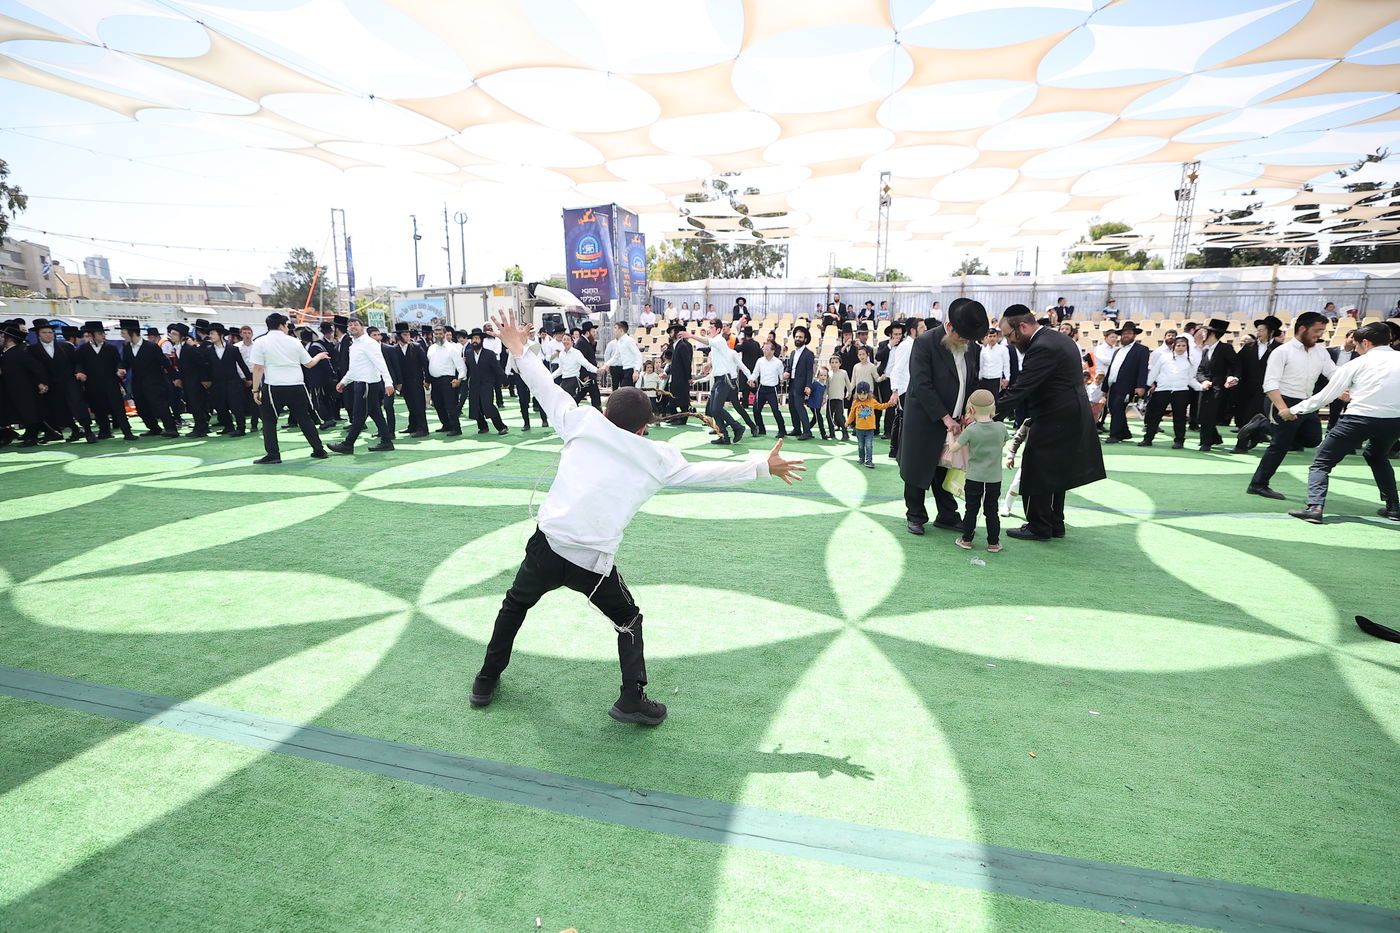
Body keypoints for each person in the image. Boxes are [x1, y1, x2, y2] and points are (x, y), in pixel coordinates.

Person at [468, 309, 806, 725]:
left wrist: (517, 346)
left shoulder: (581, 421)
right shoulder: (656, 459)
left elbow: (542, 385)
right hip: (591, 561)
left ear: (607, 412)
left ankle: (485, 680)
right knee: (628, 620)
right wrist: (761, 466)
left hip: (547, 544)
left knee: (514, 605)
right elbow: (706, 473)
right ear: (645, 429)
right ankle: (632, 699)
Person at [995, 305, 1106, 541]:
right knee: (1056, 471)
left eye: (1009, 335)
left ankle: (1039, 526)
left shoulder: (1042, 347)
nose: (1009, 341)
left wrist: (988, 414)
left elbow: (1022, 387)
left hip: (1055, 416)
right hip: (1069, 415)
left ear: (1022, 327)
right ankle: (1055, 523)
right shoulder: (1057, 338)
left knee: (1037, 470)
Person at [1279, 322, 1399, 523]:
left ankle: (1315, 508)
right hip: (1395, 421)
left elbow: (1325, 396)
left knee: (1322, 462)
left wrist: (1291, 410)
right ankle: (1394, 507)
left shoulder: (1357, 364)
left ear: (1366, 343)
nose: (1356, 349)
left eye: (1356, 344)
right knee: (1377, 456)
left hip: (1358, 419)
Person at [899, 298, 985, 536]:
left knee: (947, 468)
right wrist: (946, 418)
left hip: (957, 420)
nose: (966, 341)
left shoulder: (972, 348)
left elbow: (973, 381)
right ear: (950, 328)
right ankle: (915, 515)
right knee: (918, 467)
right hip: (926, 419)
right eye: (963, 336)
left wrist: (971, 412)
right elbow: (922, 384)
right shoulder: (925, 343)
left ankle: (947, 515)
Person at [1247, 311, 1335, 500]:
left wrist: (1344, 390)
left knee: (1312, 439)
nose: (1320, 335)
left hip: (1306, 403)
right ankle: (1258, 484)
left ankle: (1262, 425)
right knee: (1281, 444)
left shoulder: (1321, 351)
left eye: (1322, 331)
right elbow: (1270, 384)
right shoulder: (1282, 351)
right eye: (1317, 330)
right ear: (1302, 328)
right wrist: (1282, 409)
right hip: (1281, 400)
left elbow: (1334, 373)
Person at [247, 312, 332, 465]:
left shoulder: (260, 342)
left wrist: (255, 390)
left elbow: (258, 368)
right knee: (304, 418)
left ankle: (273, 454)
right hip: (297, 386)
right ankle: (319, 449)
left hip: (274, 387)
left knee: (269, 421)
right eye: (286, 326)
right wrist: (319, 356)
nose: (287, 328)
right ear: (281, 326)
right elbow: (309, 364)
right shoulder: (294, 341)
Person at [948, 389, 1007, 552]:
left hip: (974, 478)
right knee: (992, 511)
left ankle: (966, 540)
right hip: (994, 478)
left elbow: (953, 448)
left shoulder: (971, 431)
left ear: (971, 409)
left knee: (971, 510)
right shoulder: (1000, 428)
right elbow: (1003, 442)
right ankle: (993, 543)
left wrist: (950, 434)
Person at [328, 315, 396, 455]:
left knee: (359, 416)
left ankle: (348, 444)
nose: (352, 327)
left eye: (355, 324)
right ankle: (386, 441)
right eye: (350, 325)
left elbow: (381, 363)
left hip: (367, 384)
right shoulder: (355, 344)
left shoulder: (369, 343)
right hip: (361, 383)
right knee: (376, 413)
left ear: (362, 327)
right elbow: (354, 368)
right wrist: (344, 382)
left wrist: (388, 382)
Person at [30, 318, 94, 443]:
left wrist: (79, 371)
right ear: (38, 335)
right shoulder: (32, 350)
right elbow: (33, 369)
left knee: (77, 405)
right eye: (44, 332)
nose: (48, 335)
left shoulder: (66, 346)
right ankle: (75, 430)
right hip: (51, 384)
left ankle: (88, 430)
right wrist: (40, 383)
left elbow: (77, 362)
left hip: (69, 381)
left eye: (50, 332)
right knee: (60, 409)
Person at [1138, 336, 1203, 448]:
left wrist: (1200, 387)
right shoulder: (1164, 357)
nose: (1181, 348)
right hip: (1162, 390)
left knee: (1180, 417)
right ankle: (1148, 439)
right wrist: (1146, 386)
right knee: (1155, 416)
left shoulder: (1191, 361)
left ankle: (1179, 441)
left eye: (1183, 346)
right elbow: (1154, 373)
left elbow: (1191, 378)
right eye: (1178, 345)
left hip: (1181, 391)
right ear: (1174, 346)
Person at [75, 321, 135, 440]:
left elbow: (118, 362)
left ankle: (127, 432)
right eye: (100, 333)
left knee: (118, 408)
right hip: (93, 384)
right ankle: (104, 431)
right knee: (98, 408)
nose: (103, 335)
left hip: (111, 383)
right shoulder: (83, 349)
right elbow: (79, 363)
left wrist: (119, 370)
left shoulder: (110, 348)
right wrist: (80, 372)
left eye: (103, 333)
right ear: (91, 335)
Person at [121, 319, 178, 438]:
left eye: (124, 332)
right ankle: (154, 428)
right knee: (141, 408)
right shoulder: (127, 347)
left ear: (132, 333)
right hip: (137, 383)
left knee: (160, 405)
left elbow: (165, 362)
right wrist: (121, 369)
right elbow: (125, 363)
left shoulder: (151, 347)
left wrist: (175, 378)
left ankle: (171, 428)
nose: (122, 335)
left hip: (154, 382)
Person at [699, 317, 750, 445]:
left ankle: (737, 427)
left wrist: (690, 335)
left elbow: (742, 366)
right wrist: (709, 364)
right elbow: (719, 359)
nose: (709, 329)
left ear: (718, 330)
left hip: (726, 380)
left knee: (718, 408)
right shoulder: (719, 345)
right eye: (709, 327)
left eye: (711, 327)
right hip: (719, 379)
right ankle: (724, 436)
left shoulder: (719, 340)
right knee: (713, 408)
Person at [1194, 319, 1240, 452]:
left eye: (1205, 332)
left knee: (1210, 416)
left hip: (1220, 389)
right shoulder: (1205, 351)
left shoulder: (1225, 348)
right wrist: (1203, 381)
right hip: (1206, 389)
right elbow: (1200, 370)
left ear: (1212, 334)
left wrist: (1234, 377)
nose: (1202, 334)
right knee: (1201, 416)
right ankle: (1214, 438)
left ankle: (1206, 442)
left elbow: (1236, 366)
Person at [1, 322, 46, 446]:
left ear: (9, 338)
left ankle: (32, 438)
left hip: (24, 389)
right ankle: (30, 434)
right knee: (23, 413)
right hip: (14, 389)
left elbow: (37, 368)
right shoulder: (8, 352)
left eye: (3, 336)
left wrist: (42, 382)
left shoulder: (21, 351)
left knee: (29, 413)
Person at [207, 323, 252, 436]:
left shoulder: (233, 349)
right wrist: (206, 379)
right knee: (221, 406)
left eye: (213, 333)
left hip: (233, 382)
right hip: (217, 383)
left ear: (221, 335)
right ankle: (228, 426)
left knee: (236, 406)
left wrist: (248, 378)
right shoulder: (208, 350)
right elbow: (206, 366)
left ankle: (241, 428)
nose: (210, 336)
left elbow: (241, 364)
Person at [462, 327, 508, 435]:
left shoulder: (489, 354)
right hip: (473, 384)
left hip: (486, 383)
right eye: (473, 339)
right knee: (475, 406)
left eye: (477, 338)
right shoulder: (468, 354)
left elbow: (497, 369)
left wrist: (504, 381)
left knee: (487, 405)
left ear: (481, 340)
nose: (474, 341)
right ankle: (482, 426)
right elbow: (466, 369)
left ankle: (501, 427)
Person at [426, 324, 466, 435]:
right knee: (438, 404)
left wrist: (459, 380)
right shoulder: (431, 348)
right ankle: (446, 425)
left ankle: (456, 428)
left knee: (450, 405)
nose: (438, 336)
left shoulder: (452, 349)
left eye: (440, 334)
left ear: (445, 334)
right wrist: (427, 380)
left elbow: (461, 366)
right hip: (435, 381)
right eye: (436, 334)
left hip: (448, 380)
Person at [846, 380, 895, 467]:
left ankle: (869, 460)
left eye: (864, 394)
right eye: (860, 394)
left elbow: (880, 406)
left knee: (869, 445)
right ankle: (861, 458)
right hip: (859, 429)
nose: (862, 396)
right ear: (857, 394)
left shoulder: (872, 401)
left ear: (868, 393)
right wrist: (848, 422)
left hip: (870, 429)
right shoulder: (855, 403)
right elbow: (852, 414)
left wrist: (888, 404)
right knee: (861, 445)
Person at [748, 340, 787, 437]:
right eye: (764, 349)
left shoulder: (778, 363)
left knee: (775, 410)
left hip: (772, 389)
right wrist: (751, 379)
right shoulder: (760, 361)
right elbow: (755, 373)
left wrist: (785, 376)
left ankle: (782, 430)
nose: (764, 351)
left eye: (767, 349)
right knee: (756, 409)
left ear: (773, 351)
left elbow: (781, 377)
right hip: (761, 388)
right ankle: (761, 429)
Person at [783, 324, 815, 440]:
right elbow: (789, 366)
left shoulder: (809, 354)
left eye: (800, 337)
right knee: (792, 406)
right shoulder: (792, 353)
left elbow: (810, 371)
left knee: (799, 406)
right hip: (792, 383)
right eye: (796, 337)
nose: (798, 339)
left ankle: (807, 431)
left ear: (805, 339)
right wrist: (786, 372)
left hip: (801, 385)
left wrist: (808, 385)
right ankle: (797, 429)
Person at [1326, 329, 1358, 429]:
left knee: (1348, 415)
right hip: (1334, 386)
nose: (1353, 341)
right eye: (1352, 337)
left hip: (1350, 388)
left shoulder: (1359, 356)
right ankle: (1329, 435)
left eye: (1356, 339)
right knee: (1334, 414)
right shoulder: (1330, 351)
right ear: (1346, 337)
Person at [553, 331, 598, 401]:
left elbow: (586, 364)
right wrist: (550, 377)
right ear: (562, 341)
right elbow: (560, 369)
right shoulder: (561, 354)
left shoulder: (576, 353)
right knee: (565, 401)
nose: (566, 341)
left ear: (572, 342)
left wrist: (597, 370)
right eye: (564, 339)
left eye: (568, 340)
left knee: (568, 401)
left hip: (573, 379)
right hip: (564, 380)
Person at [665, 322, 694, 417]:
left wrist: (689, 377)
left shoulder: (683, 345)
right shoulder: (674, 345)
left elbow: (687, 362)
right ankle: (676, 417)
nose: (670, 334)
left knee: (682, 400)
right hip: (675, 376)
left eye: (671, 331)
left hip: (681, 377)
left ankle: (683, 418)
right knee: (674, 398)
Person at [604, 320, 642, 388]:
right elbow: (616, 356)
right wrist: (606, 365)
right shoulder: (619, 342)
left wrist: (636, 370)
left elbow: (638, 355)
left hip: (631, 370)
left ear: (621, 330)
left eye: (616, 328)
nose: (614, 330)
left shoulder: (629, 340)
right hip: (625, 370)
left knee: (625, 392)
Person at [977, 327, 1010, 399]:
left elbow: (1006, 365)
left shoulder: (1003, 349)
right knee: (984, 400)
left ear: (997, 337)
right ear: (987, 337)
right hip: (984, 379)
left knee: (994, 400)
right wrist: (979, 378)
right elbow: (981, 365)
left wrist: (1007, 378)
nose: (992, 338)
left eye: (994, 336)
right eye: (990, 336)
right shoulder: (983, 350)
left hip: (996, 379)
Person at [576, 322, 602, 409]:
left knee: (589, 394)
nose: (595, 334)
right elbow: (581, 361)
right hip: (587, 375)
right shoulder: (581, 343)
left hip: (590, 374)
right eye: (593, 332)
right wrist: (585, 375)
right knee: (594, 395)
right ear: (587, 333)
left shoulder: (587, 342)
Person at [826, 355, 851, 441]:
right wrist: (824, 396)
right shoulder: (828, 373)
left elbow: (848, 384)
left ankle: (845, 433)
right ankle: (831, 433)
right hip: (830, 398)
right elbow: (826, 386)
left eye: (836, 362)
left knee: (840, 416)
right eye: (832, 362)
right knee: (829, 416)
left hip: (839, 398)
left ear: (840, 363)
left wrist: (849, 392)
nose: (834, 364)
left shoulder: (843, 373)